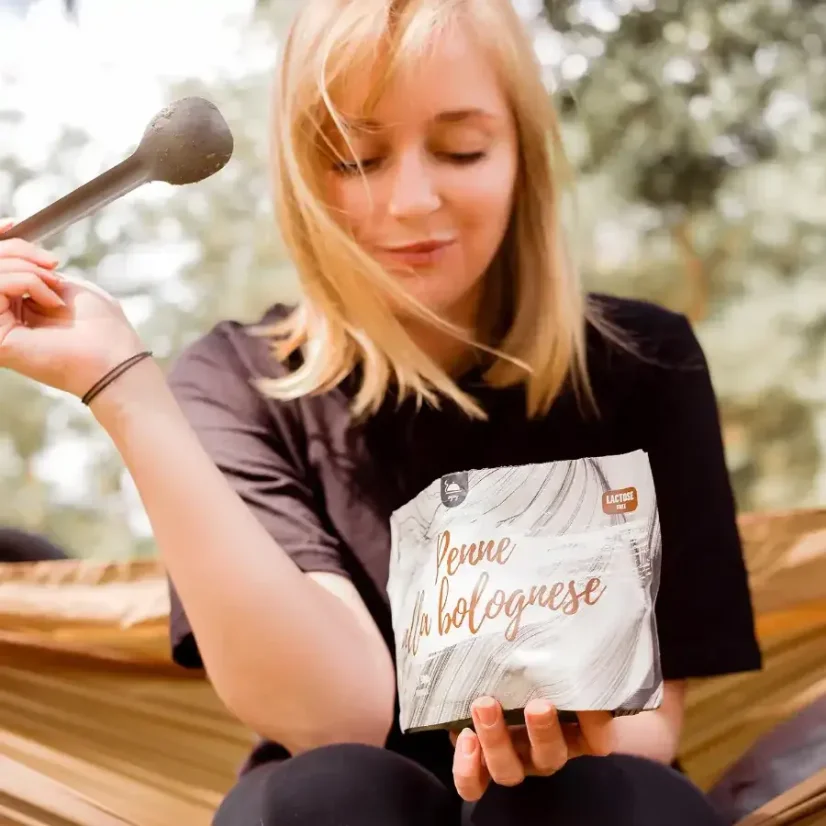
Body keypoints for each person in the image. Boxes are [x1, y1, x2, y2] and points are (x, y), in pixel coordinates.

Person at [0, 1, 762, 823]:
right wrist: (118, 382)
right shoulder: (237, 379)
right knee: (332, 791)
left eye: (461, 149)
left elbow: (648, 723)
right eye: (356, 157)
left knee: (596, 797)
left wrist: (570, 747)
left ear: (523, 154)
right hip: (337, 801)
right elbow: (338, 717)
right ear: (298, 174)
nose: (409, 200)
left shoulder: (644, 361)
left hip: (596, 799)